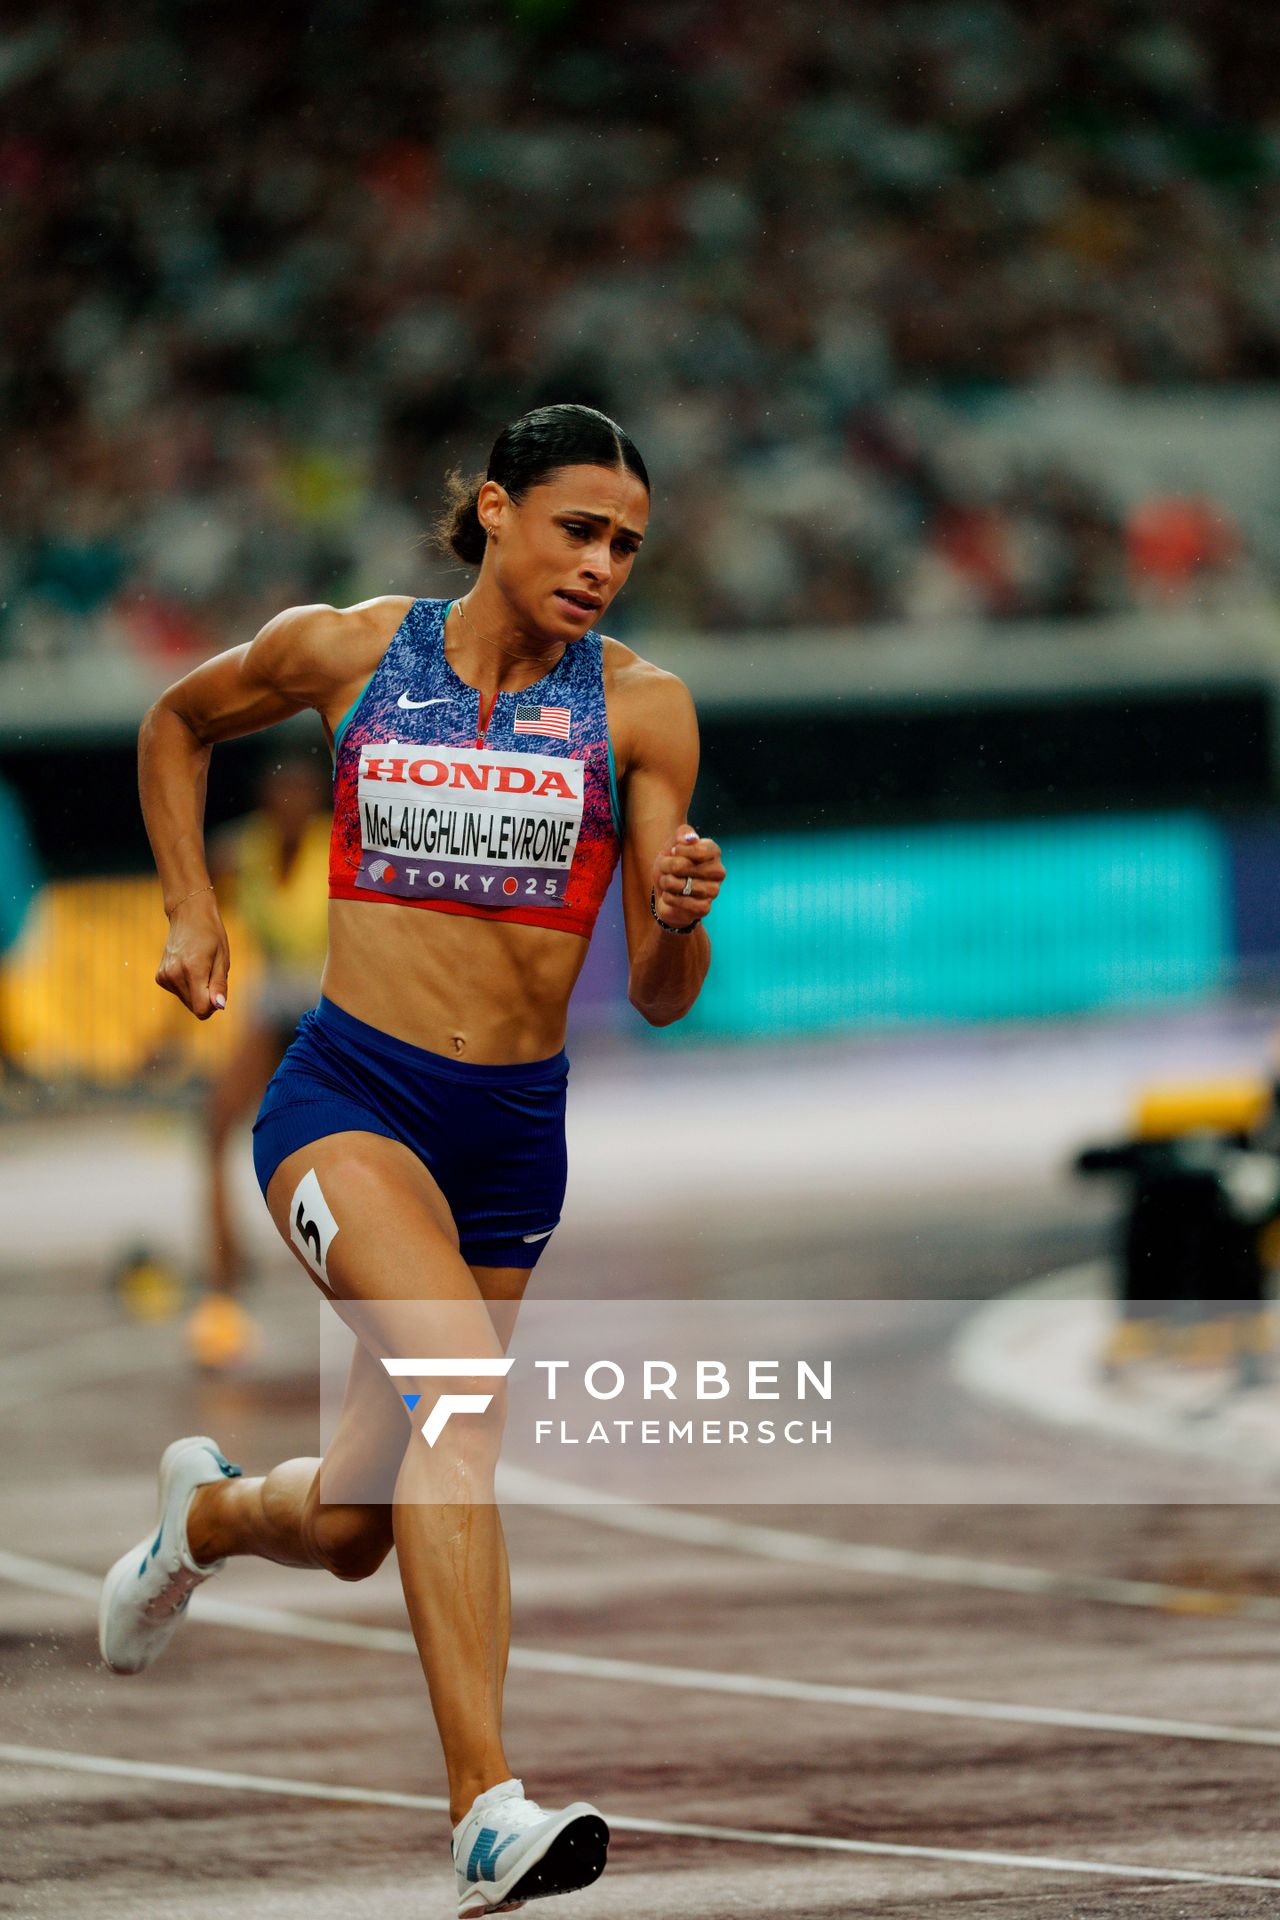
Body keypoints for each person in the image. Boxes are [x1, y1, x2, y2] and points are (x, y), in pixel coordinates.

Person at [98, 403, 725, 1917]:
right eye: (578, 529)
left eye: (627, 546)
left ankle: (204, 1518)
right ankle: (485, 1812)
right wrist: (191, 906)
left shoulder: (644, 712)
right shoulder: (351, 652)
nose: (602, 565)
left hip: (510, 1144)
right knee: (464, 1398)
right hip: (349, 1102)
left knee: (353, 1526)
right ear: (494, 511)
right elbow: (175, 722)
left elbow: (656, 993)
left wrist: (678, 914)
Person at [188, 752, 331, 1369]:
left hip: (328, 1010)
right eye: (282, 796)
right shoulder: (245, 851)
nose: (291, 807)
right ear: (267, 802)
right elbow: (197, 883)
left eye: (303, 795)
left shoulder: (339, 847)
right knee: (215, 1120)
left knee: (328, 1141)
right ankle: (225, 1263)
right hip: (272, 1009)